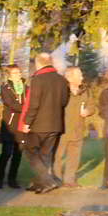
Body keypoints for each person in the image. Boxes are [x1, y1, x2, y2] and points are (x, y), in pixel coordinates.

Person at [19, 52, 69, 193]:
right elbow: (64, 101)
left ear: (38, 63)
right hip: (56, 124)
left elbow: (34, 104)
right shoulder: (61, 79)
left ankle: (47, 182)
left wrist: (27, 122)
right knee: (45, 155)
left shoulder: (38, 79)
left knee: (31, 152)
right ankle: (40, 184)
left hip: (39, 125)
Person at [54, 66, 92, 188]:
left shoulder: (85, 90)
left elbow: (92, 105)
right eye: (79, 75)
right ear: (70, 77)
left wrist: (88, 111)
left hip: (78, 130)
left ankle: (69, 180)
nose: (82, 77)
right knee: (57, 157)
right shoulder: (60, 90)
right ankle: (56, 180)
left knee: (74, 157)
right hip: (62, 130)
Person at [0, 64, 25, 189]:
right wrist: (27, 108)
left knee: (18, 154)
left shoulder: (26, 88)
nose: (18, 75)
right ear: (9, 75)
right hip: (9, 125)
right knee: (6, 153)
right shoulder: (5, 88)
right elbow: (12, 104)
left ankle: (12, 179)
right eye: (14, 73)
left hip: (22, 125)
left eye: (19, 72)